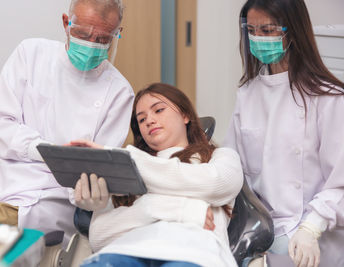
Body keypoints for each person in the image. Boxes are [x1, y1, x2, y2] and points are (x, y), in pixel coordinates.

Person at [0, 0, 134, 244]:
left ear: (117, 33)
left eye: (102, 40)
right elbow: (1, 124)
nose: (90, 45)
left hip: (52, 202)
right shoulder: (31, 54)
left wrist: (93, 196)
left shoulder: (119, 92)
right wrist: (46, 152)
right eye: (83, 34)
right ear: (66, 23)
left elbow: (97, 165)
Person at [69, 83, 243, 267]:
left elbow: (214, 183)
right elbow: (99, 235)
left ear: (185, 115)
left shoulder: (218, 157)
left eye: (159, 110)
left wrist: (130, 163)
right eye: (141, 120)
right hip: (126, 250)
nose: (149, 121)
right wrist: (180, 210)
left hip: (194, 252)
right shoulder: (127, 168)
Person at [225, 0, 344, 266]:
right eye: (252, 30)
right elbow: (233, 169)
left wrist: (311, 228)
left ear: (293, 32)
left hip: (315, 235)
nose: (257, 39)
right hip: (263, 231)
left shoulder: (329, 98)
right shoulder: (247, 95)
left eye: (267, 31)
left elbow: (340, 182)